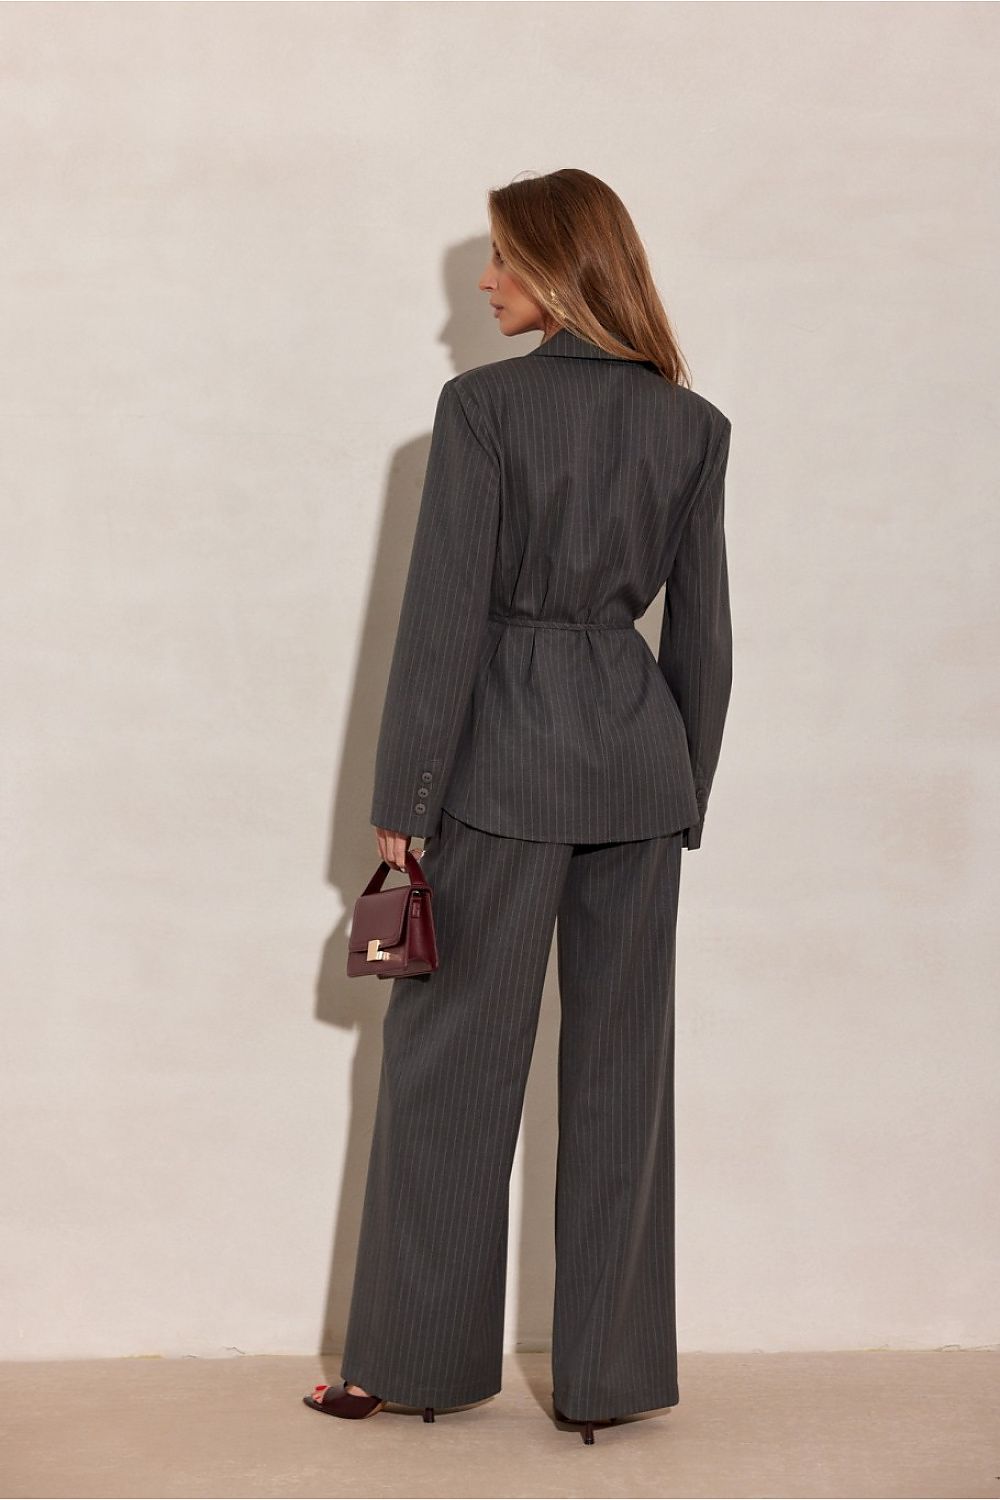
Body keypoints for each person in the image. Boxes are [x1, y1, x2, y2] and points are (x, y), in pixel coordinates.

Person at [304, 168, 733, 1445]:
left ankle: (411, 1366)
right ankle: (608, 1386)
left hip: (499, 775)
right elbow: (703, 640)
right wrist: (683, 793)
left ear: (554, 267)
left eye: (498, 259)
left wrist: (404, 800)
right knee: (618, 1084)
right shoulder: (690, 422)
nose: (483, 282)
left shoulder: (483, 410)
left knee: (449, 1073)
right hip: (638, 780)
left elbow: (443, 621)